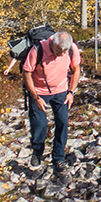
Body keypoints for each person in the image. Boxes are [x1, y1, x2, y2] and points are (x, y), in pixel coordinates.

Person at [22, 31, 81, 181]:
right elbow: (27, 72)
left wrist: (71, 92)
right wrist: (35, 97)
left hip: (61, 91)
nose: (62, 55)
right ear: (53, 44)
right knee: (39, 124)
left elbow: (76, 69)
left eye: (65, 52)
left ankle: (58, 158)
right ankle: (37, 152)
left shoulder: (71, 49)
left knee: (62, 122)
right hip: (39, 92)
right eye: (59, 51)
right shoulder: (38, 50)